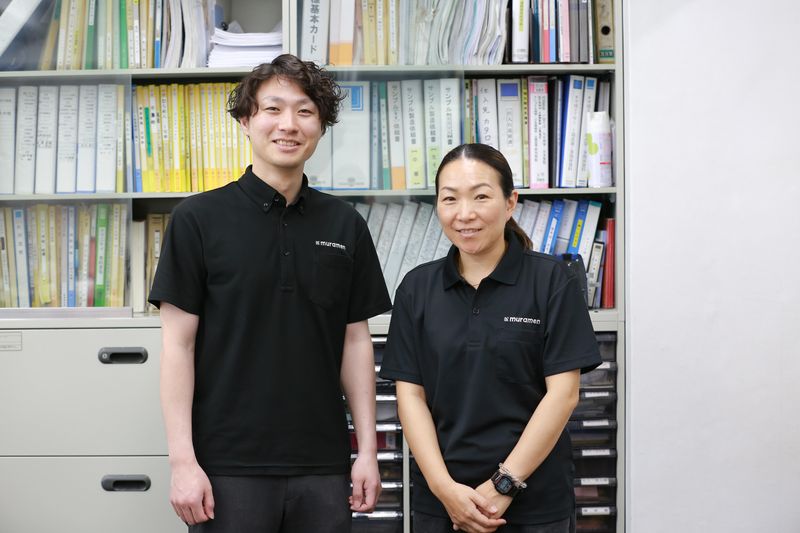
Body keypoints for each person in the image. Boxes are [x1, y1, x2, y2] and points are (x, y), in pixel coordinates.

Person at [149, 54, 392, 532]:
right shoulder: (197, 221)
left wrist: (367, 451)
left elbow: (355, 341)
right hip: (226, 465)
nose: (289, 125)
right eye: (273, 109)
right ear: (246, 121)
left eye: (305, 111)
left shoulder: (345, 224)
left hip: (323, 464)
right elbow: (178, 346)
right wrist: (182, 462)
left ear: (321, 126)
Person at [379, 143, 601, 533]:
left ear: (510, 202)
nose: (464, 214)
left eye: (481, 196)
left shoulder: (551, 281)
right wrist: (444, 489)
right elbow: (410, 396)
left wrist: (505, 483)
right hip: (443, 504)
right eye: (450, 199)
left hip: (534, 503)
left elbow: (563, 394)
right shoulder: (417, 288)